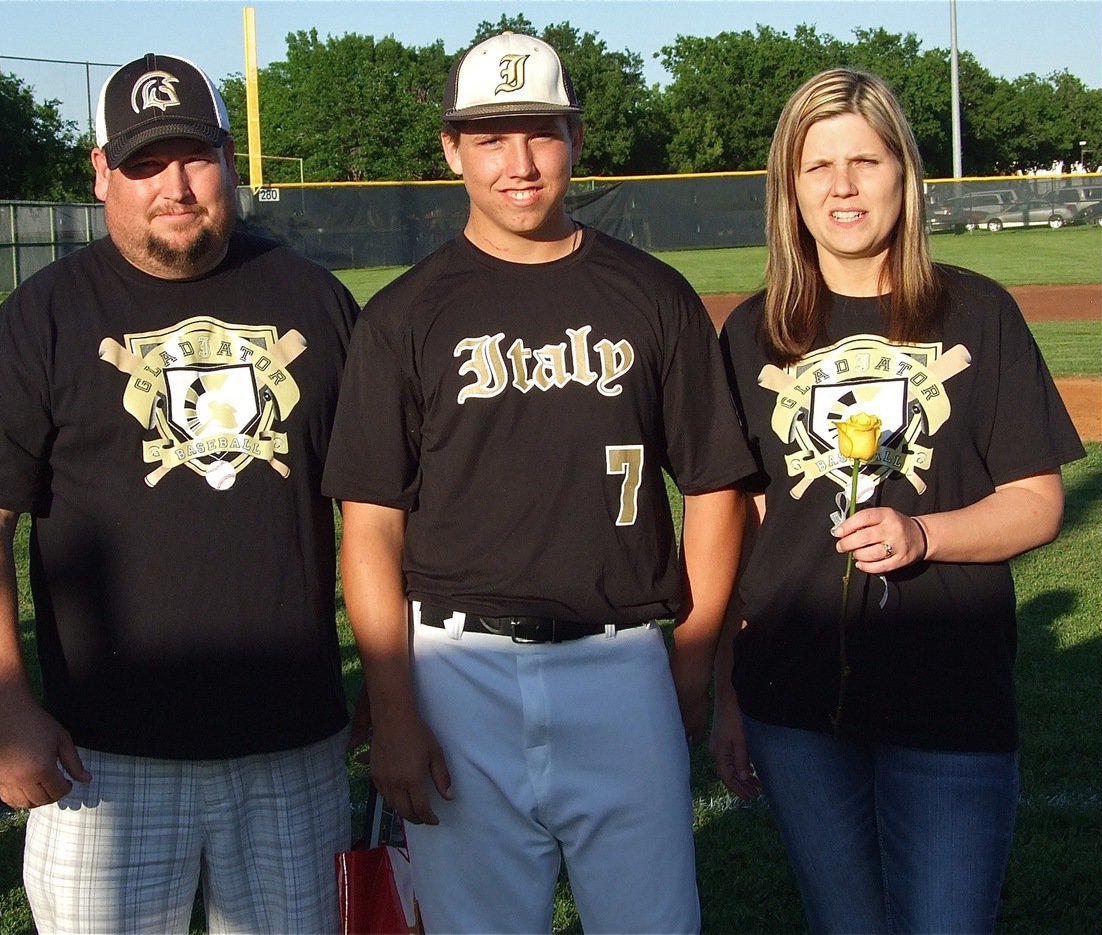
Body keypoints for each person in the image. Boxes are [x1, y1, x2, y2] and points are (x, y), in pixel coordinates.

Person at [321, 31, 754, 934]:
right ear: (451, 149)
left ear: (577, 137)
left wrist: (693, 654)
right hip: (455, 669)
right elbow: (369, 527)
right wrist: (393, 703)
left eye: (540, 133)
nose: (518, 163)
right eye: (490, 136)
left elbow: (714, 486)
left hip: (622, 656)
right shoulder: (404, 315)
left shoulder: (654, 296)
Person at [0, 53, 359, 933]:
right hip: (101, 759)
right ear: (101, 172)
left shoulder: (315, 303)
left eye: (194, 156)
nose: (176, 186)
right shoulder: (42, 317)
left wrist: (390, 692)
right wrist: (7, 704)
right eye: (145, 163)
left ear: (229, 160)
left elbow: (382, 515)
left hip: (292, 745)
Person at [712, 68, 1085, 934]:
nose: (843, 186)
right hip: (794, 704)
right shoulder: (751, 333)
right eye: (819, 167)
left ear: (903, 175)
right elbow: (745, 526)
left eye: (866, 161)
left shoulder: (976, 315)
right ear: (789, 190)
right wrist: (731, 693)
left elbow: (1036, 501)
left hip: (947, 697)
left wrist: (925, 533)